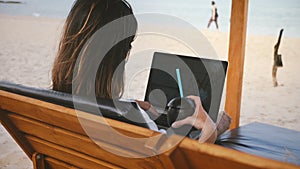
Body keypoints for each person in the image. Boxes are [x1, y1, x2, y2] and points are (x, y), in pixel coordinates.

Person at [52, 0, 230, 143]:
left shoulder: (46, 103)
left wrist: (125, 104)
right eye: (128, 45)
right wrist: (209, 129)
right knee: (219, 123)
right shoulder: (133, 120)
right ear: (120, 56)